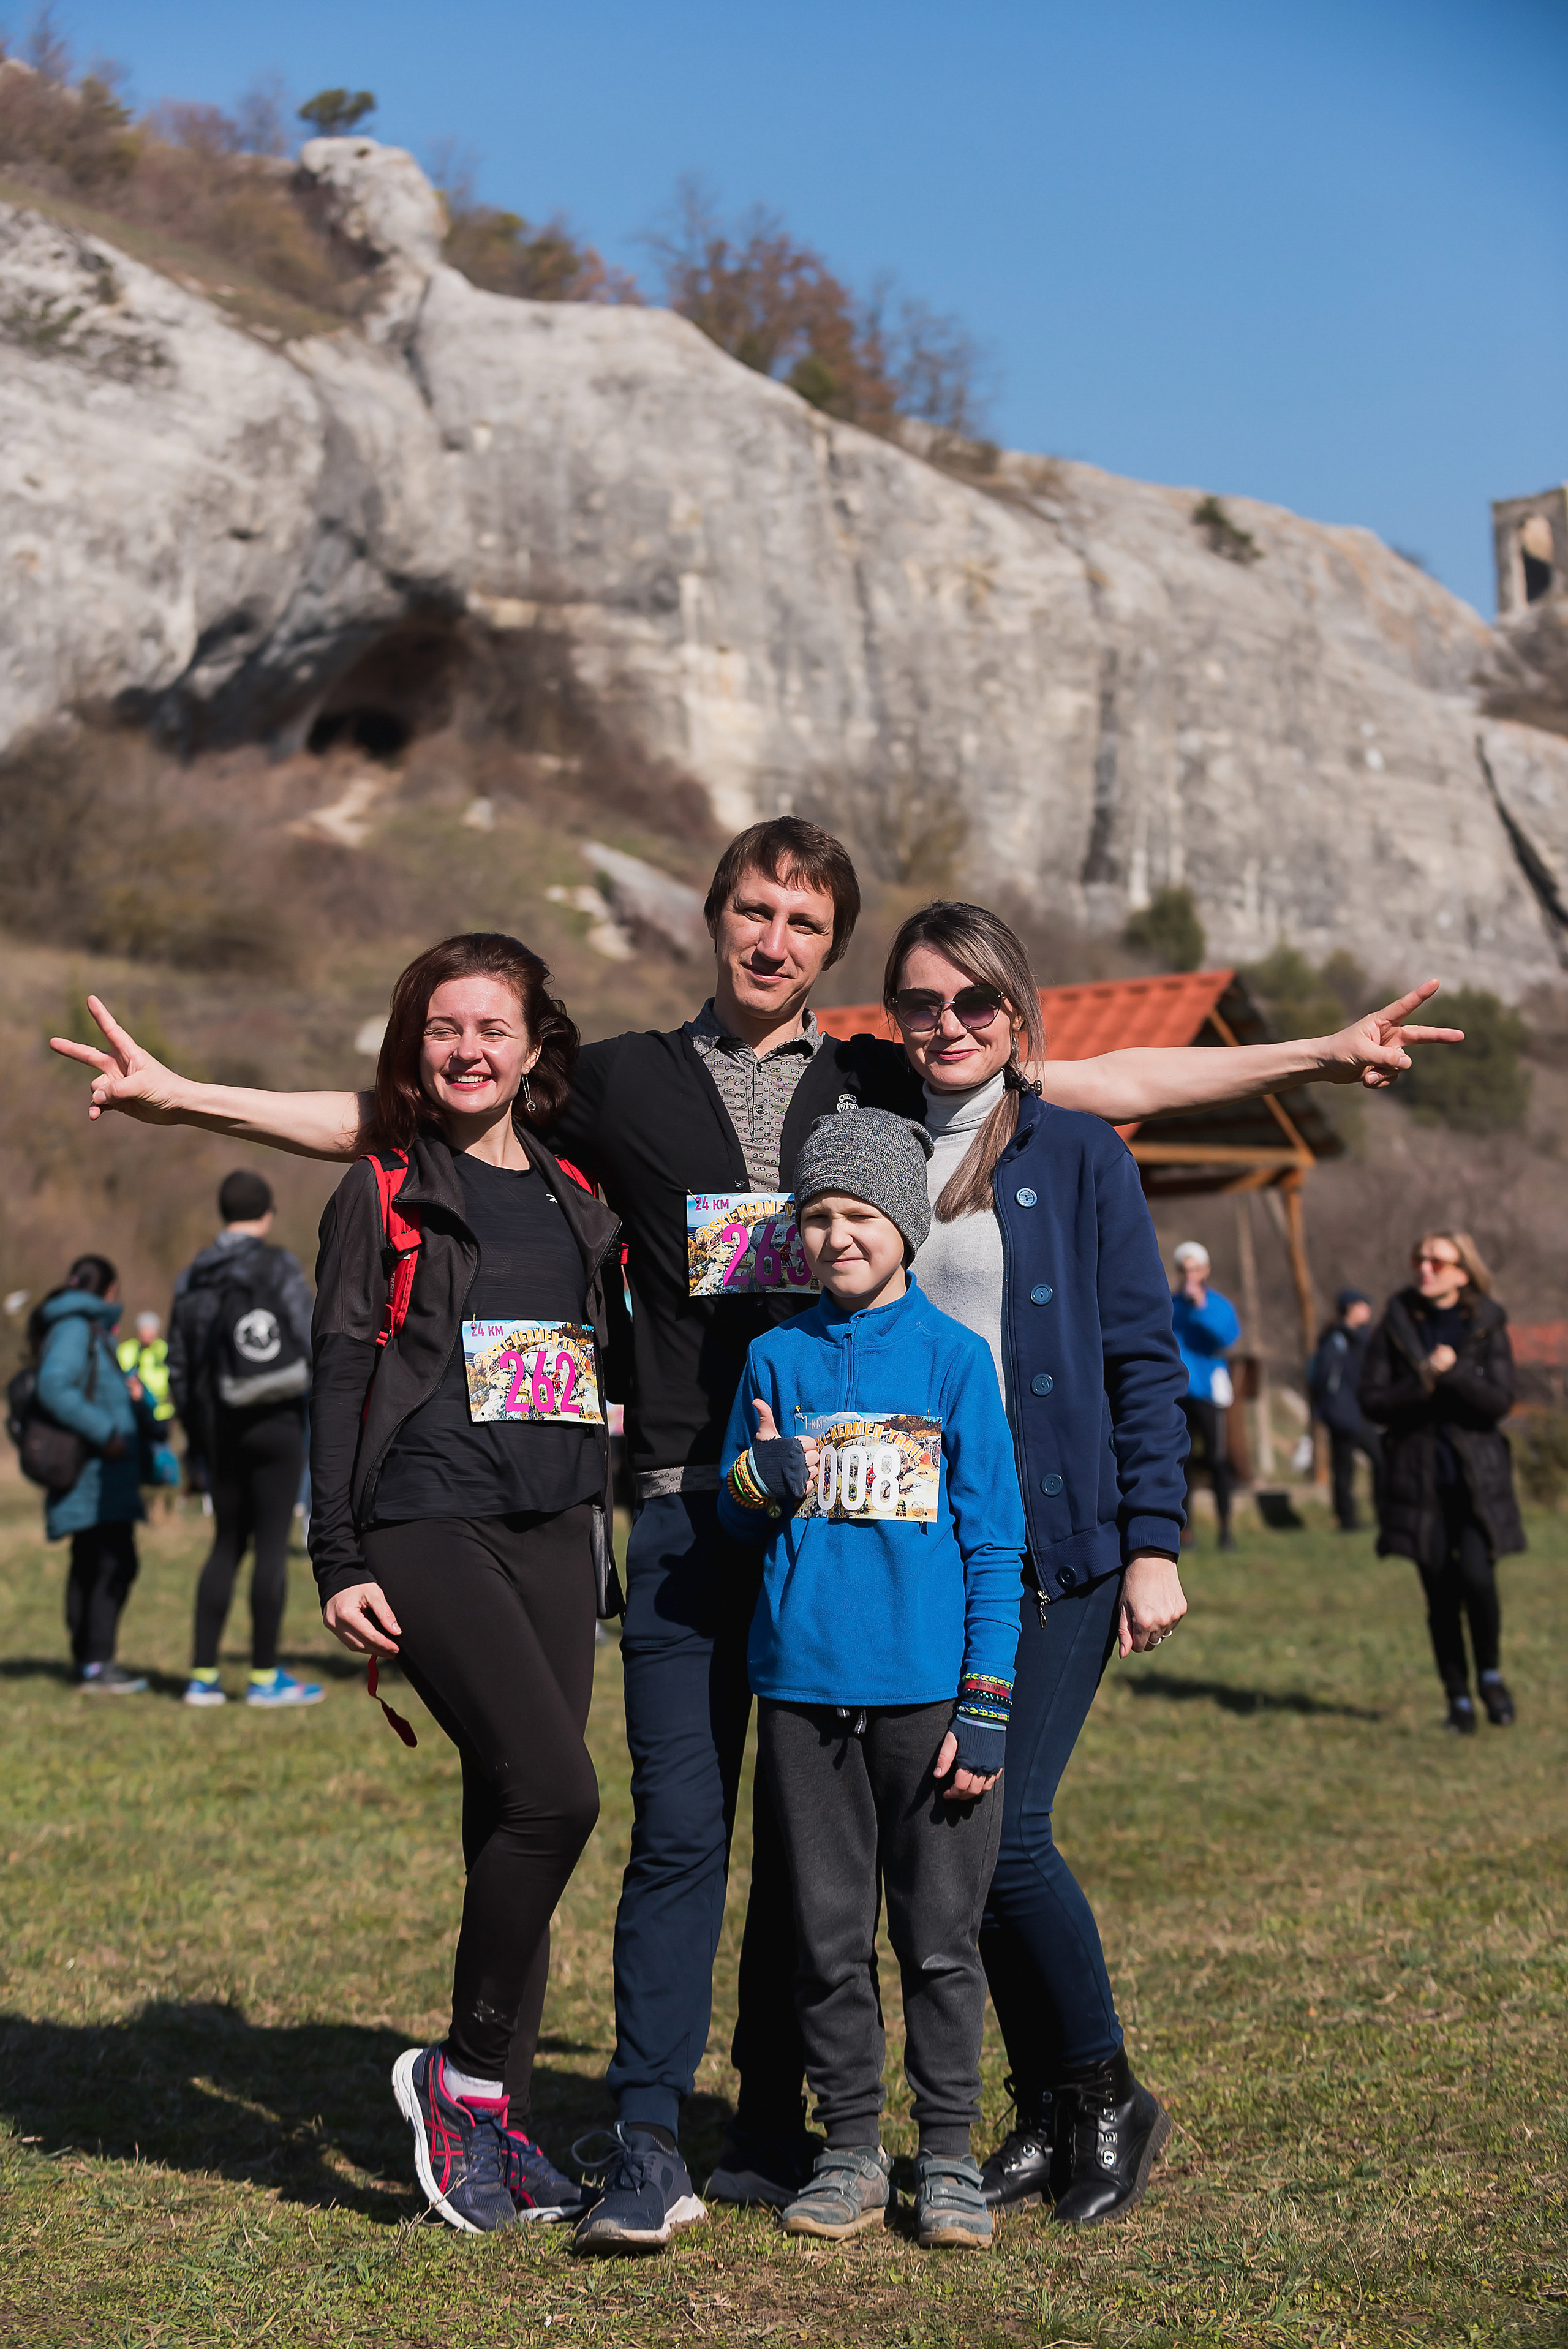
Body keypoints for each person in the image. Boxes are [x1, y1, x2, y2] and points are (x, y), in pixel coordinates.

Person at [49, 826, 1463, 2238]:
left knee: (816, 1851)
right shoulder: (608, 1080)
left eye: (802, 916)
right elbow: (388, 1119)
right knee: (678, 1833)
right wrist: (182, 1101)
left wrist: (1310, 1056)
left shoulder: (872, 1074)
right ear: (713, 916)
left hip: (840, 1532)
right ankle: (650, 2128)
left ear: (828, 941)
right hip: (678, 1504)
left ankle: (791, 2122)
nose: (771, 935)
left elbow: (1101, 1083)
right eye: (750, 908)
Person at [881, 903, 1188, 2226]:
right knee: (954, 1832)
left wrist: (1154, 1544)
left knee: (1005, 1836)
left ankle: (1107, 2094)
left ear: (1015, 1013)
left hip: (1058, 1545)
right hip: (921, 1544)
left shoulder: (1076, 1152)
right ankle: (1040, 2112)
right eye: (917, 1003)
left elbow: (1138, 1355)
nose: (944, 1026)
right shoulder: (877, 1147)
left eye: (971, 1003)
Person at [312, 932, 620, 2233]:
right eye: (444, 1027)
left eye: (492, 1027)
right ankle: (462, 2075)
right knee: (558, 1795)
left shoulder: (573, 1187)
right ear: (413, 1045)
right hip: (428, 1516)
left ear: (534, 1045)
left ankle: (491, 2130)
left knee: (511, 1816)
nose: (468, 1048)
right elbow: (336, 1371)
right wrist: (338, 1558)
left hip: (556, 1524)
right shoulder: (382, 1186)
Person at [711, 1107, 1023, 2253]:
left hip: (930, 1701)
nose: (836, 1237)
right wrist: (758, 1480)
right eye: (817, 1217)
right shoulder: (775, 1357)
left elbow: (995, 1543)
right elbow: (736, 1520)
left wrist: (985, 1706)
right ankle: (849, 2146)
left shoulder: (953, 1361)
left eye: (859, 1216)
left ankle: (947, 2154)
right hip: (801, 1693)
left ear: (903, 1223)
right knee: (825, 1938)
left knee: (940, 1937)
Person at [1360, 1230, 1525, 1733]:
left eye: (1437, 1260)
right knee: (1440, 1594)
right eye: (1419, 1258)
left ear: (1462, 1272)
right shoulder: (1396, 1321)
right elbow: (1372, 1402)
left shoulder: (1487, 1321)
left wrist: (1451, 1375)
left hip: (1476, 1478)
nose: (1424, 1267)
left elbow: (1499, 1400)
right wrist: (1423, 1380)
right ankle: (1458, 1700)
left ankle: (1491, 1676)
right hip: (1418, 1479)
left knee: (1478, 1579)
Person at [168, 1171, 322, 1709]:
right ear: (267, 1213)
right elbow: (308, 1337)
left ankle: (202, 1677)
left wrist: (195, 1431)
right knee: (271, 1545)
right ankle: (263, 1677)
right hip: (277, 1419)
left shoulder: (193, 1275)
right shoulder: (277, 1264)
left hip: (218, 1424)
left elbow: (180, 1364)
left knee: (225, 1543)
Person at [32, 1255, 156, 1693]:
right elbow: (54, 1385)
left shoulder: (84, 1327)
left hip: (103, 1473)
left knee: (94, 1562)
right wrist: (106, 1431)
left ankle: (88, 1660)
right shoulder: (75, 1327)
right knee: (111, 1563)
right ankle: (96, 1663)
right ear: (108, 1290)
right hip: (93, 1471)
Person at [1169, 1242, 1240, 1552]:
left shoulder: (1217, 1305)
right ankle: (1186, 1533)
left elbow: (1226, 1337)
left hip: (1209, 1394)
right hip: (1180, 1393)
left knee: (1217, 1460)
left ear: (1206, 1271)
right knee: (1180, 1463)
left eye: (1196, 1270)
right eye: (1185, 1271)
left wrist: (1201, 1308)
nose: (1191, 1276)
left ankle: (1226, 1530)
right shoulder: (1169, 1305)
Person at [1308, 1288, 1382, 1531]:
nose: (1368, 1310)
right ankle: (1348, 1520)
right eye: (1363, 1305)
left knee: (1373, 1461)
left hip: (1362, 1411)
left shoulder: (1366, 1337)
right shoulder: (1335, 1339)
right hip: (1343, 1414)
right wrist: (1331, 1409)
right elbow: (1323, 1379)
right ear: (1351, 1308)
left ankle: (1378, 1514)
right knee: (1346, 1467)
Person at [118, 1309, 180, 1523]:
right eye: (144, 1329)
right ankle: (142, 1506)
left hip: (161, 1414)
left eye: (151, 1329)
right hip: (134, 1414)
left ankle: (165, 1506)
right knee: (138, 1458)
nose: (148, 1333)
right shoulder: (126, 1351)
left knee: (163, 1459)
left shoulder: (165, 1352)